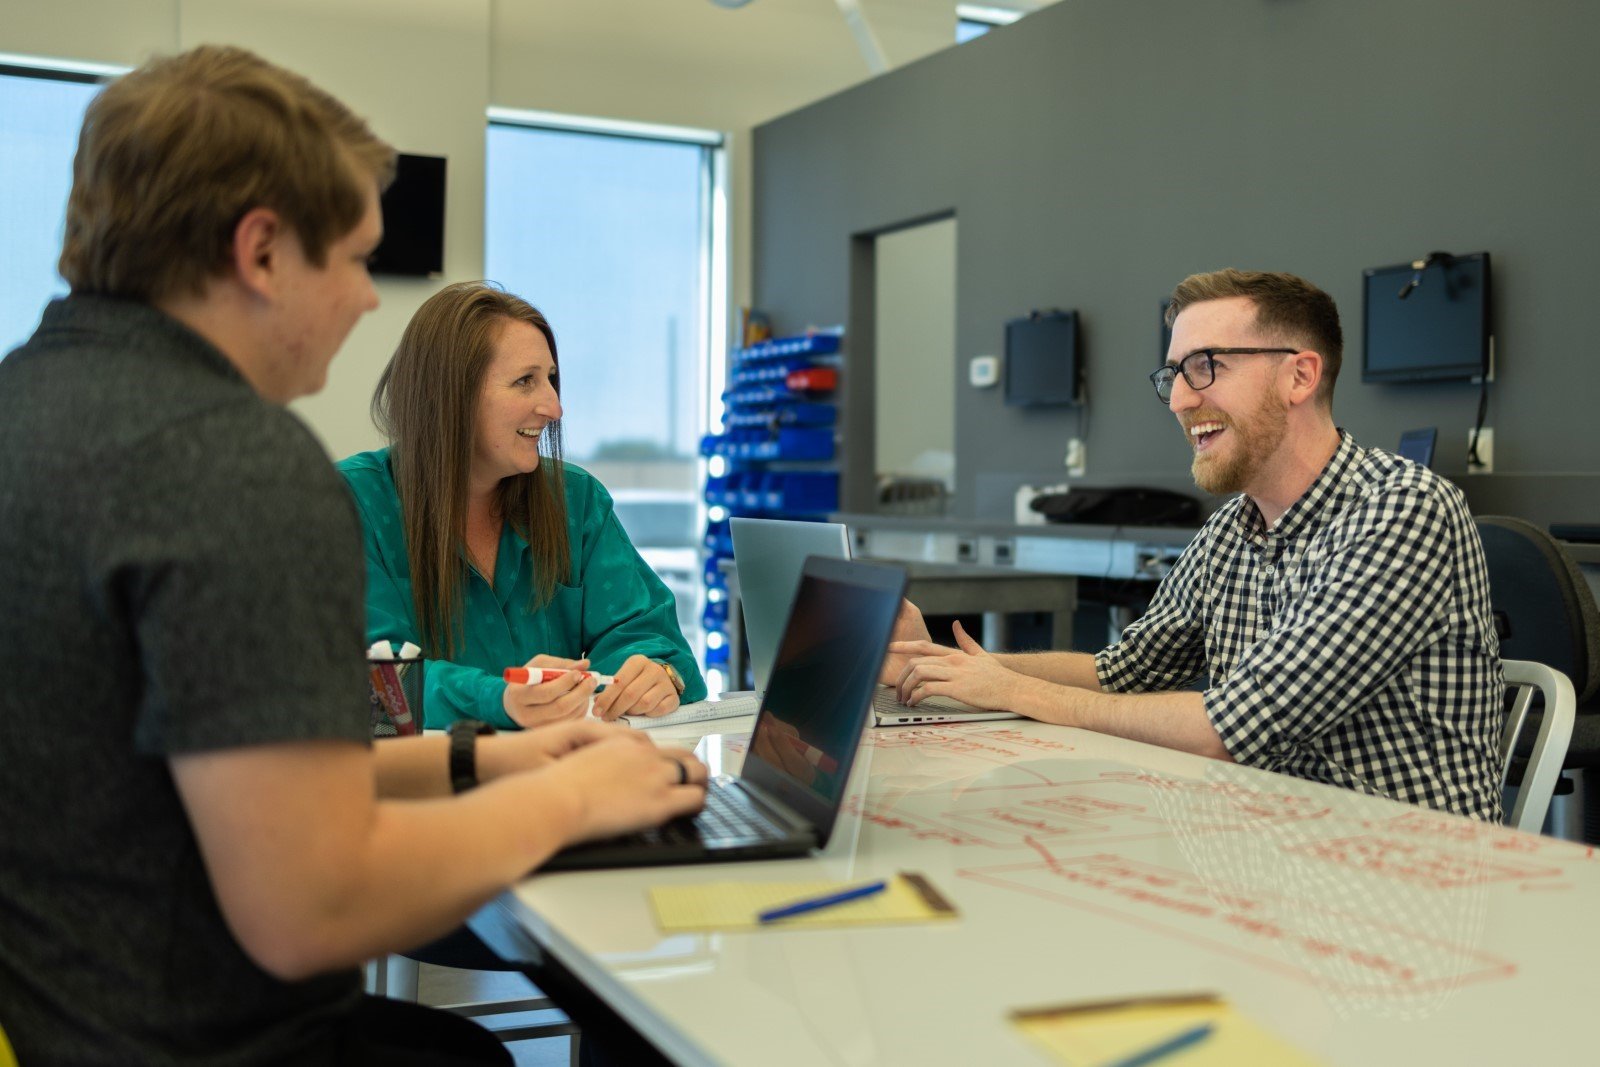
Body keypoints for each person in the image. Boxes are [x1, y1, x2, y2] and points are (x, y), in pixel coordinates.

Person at [0, 46, 706, 1067]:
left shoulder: (29, 409)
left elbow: (250, 771)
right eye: (353, 260)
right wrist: (569, 796)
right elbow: (310, 902)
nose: (369, 300)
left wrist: (493, 755)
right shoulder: (235, 463)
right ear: (261, 252)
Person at [889, 269, 1503, 821]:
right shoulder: (1230, 528)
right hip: (1263, 849)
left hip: (1399, 879)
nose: (1181, 399)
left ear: (1300, 374)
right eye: (1175, 373)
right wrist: (945, 666)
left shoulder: (1402, 508)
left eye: (1208, 365)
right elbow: (1122, 675)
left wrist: (1018, 691)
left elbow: (1230, 728)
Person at [339, 282, 707, 731]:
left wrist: (656, 674)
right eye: (525, 382)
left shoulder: (577, 501)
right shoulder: (352, 503)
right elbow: (373, 684)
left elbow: (654, 640)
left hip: (567, 781)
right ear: (449, 395)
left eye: (551, 379)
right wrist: (500, 699)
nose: (554, 407)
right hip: (423, 792)